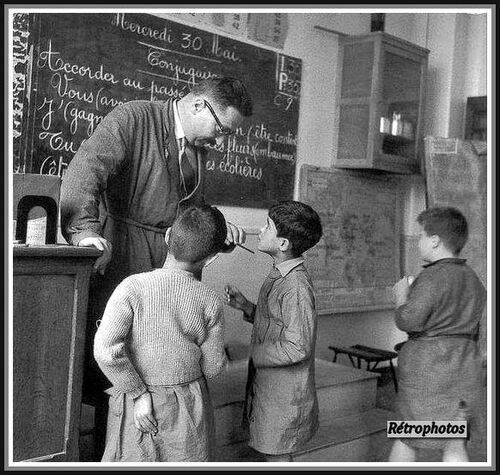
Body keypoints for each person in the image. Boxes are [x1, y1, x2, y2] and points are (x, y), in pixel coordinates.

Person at [59, 77, 252, 458]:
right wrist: (83, 233)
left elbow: (188, 217)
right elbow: (86, 171)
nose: (221, 139)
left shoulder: (198, 150)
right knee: (113, 374)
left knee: (159, 368)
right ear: (199, 105)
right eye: (221, 129)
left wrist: (216, 232)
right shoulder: (134, 118)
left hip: (170, 268)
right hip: (121, 261)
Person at [93, 204, 228, 462]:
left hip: (137, 405)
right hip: (187, 407)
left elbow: (105, 351)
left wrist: (139, 393)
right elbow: (213, 368)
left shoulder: (131, 287)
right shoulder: (209, 300)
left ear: (167, 237)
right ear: (211, 259)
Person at [224, 200, 323, 462]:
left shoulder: (296, 288)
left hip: (285, 395)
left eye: (268, 226)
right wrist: (246, 306)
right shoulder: (281, 274)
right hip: (271, 388)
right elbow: (278, 321)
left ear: (283, 244)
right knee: (271, 449)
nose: (261, 229)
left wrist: (254, 352)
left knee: (278, 456)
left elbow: (297, 347)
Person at [389, 207, 486, 463]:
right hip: (465, 367)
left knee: (406, 436)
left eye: (421, 235)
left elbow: (408, 320)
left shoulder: (432, 277)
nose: (418, 241)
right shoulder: (473, 278)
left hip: (429, 373)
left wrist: (401, 296)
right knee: (454, 443)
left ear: (434, 241)